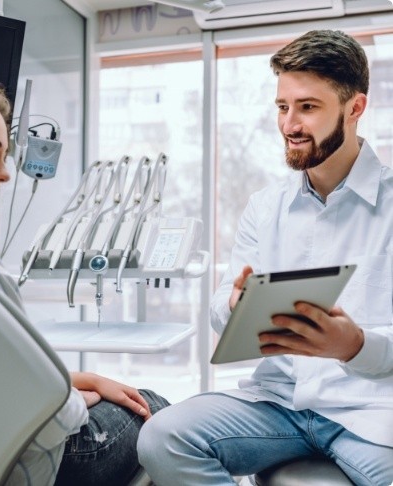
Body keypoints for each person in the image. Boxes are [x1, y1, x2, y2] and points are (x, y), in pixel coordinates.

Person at [137, 29, 393, 485]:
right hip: (280, 404)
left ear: (355, 108)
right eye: (282, 107)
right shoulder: (265, 206)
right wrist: (237, 306)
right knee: (162, 438)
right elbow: (220, 310)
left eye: (308, 107)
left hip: (372, 409)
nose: (290, 124)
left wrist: (352, 346)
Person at [0, 65, 169, 486]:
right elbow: (52, 420)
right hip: (25, 467)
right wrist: (71, 400)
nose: (6, 172)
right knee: (155, 408)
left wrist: (76, 382)